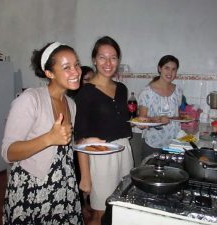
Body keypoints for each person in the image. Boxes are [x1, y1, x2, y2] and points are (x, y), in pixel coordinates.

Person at [1, 42, 101, 225]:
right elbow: (8, 152)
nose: (76, 71)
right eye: (66, 67)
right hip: (33, 190)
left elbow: (62, 146)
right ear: (49, 73)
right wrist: (48, 138)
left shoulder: (71, 104)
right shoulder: (30, 100)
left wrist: (85, 142)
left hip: (64, 186)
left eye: (76, 64)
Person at [74, 36, 134, 225]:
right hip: (101, 156)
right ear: (94, 59)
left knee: (122, 206)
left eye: (113, 57)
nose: (108, 63)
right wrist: (85, 176)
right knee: (100, 212)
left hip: (125, 151)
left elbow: (119, 120)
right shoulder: (86, 92)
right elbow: (80, 136)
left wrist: (135, 122)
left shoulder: (122, 89)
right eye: (102, 57)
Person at [138, 55, 183, 159]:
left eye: (173, 69)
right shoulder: (147, 92)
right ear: (159, 69)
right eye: (166, 68)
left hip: (174, 144)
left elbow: (177, 115)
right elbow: (141, 121)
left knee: (173, 174)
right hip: (153, 144)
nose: (170, 72)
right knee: (150, 175)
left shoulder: (178, 91)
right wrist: (158, 119)